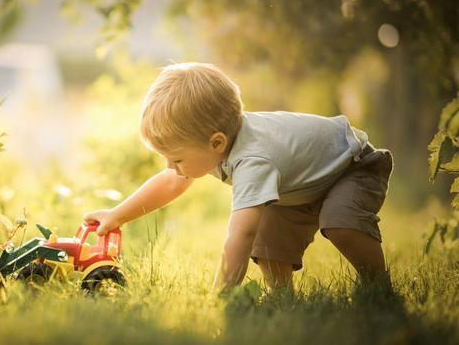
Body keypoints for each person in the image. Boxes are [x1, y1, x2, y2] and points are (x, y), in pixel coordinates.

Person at [83, 62, 393, 292]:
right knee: (270, 238)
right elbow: (171, 181)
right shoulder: (219, 143)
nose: (171, 166)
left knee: (339, 222)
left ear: (216, 142)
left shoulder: (253, 159)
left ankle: (378, 287)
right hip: (303, 181)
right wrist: (117, 215)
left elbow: (240, 234)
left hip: (353, 167)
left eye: (176, 158)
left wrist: (222, 293)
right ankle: (281, 299)